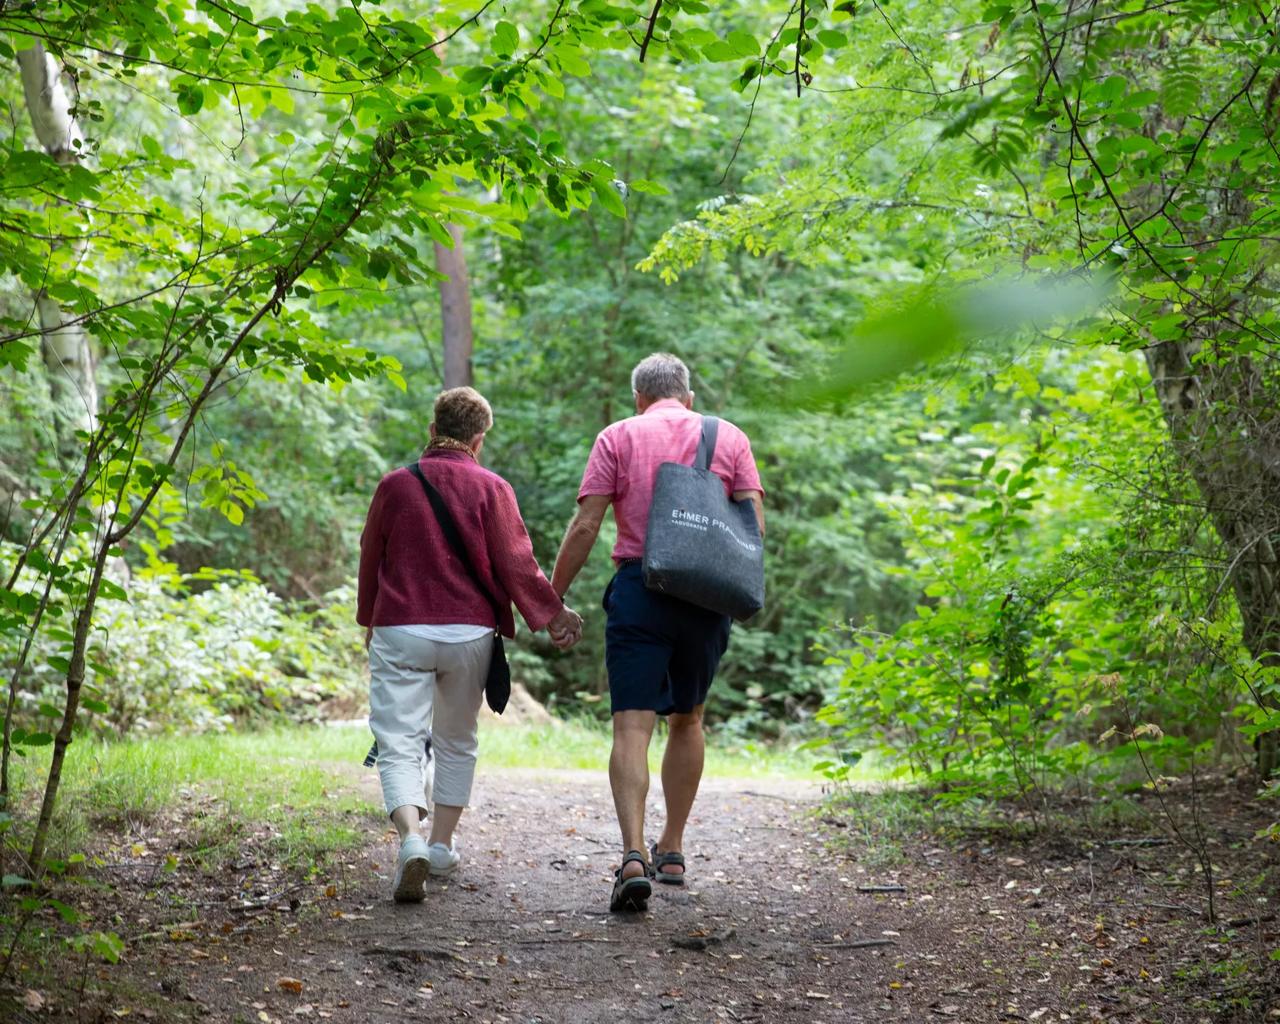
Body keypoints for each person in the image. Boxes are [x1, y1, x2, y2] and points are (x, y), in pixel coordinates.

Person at [550, 353, 764, 912]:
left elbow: (587, 525)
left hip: (640, 591)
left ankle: (631, 855)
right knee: (689, 719)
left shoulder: (618, 436)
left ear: (639, 398)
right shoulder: (730, 438)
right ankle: (672, 847)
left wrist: (552, 598)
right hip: (706, 598)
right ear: (688, 397)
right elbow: (754, 529)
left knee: (632, 727)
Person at [357, 386, 582, 903]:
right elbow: (516, 563)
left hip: (402, 628)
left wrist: (369, 616)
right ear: (478, 440)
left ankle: (409, 838)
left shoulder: (394, 486)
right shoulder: (493, 488)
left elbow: (371, 553)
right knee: (457, 741)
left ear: (432, 430)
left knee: (399, 742)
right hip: (469, 634)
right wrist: (552, 615)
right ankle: (440, 846)